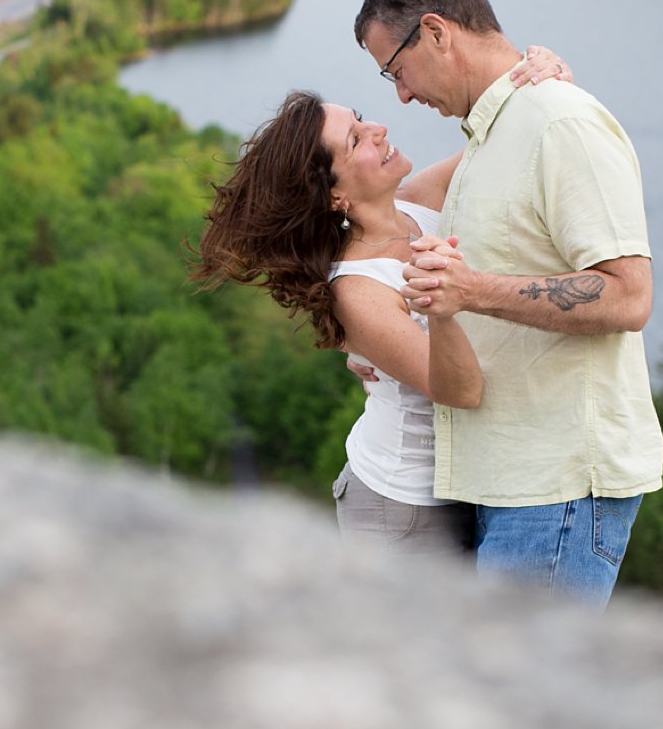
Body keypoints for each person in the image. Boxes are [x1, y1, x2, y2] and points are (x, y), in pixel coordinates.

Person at [354, 0, 660, 609]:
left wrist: (472, 292)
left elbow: (629, 294)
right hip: (509, 485)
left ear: (435, 31)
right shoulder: (495, 132)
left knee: (525, 705)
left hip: (558, 489)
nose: (402, 94)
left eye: (396, 70)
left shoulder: (559, 123)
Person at [191, 46, 568, 553]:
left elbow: (501, 138)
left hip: (467, 485)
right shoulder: (358, 290)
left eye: (363, 120)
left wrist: (545, 72)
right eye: (356, 139)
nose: (380, 129)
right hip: (402, 508)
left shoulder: (419, 205)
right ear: (333, 195)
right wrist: (445, 309)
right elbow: (461, 392)